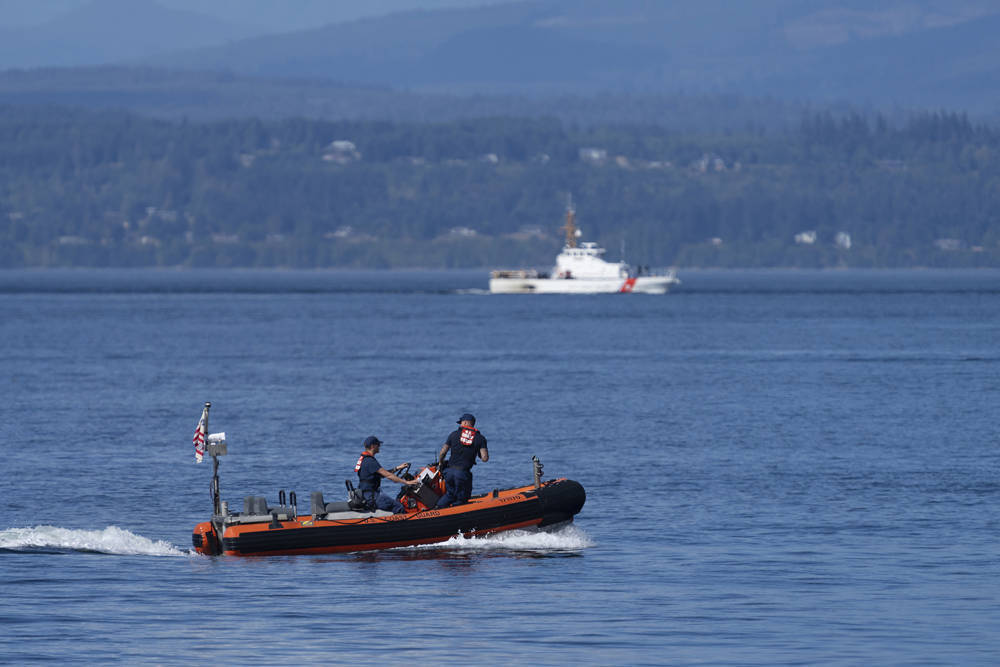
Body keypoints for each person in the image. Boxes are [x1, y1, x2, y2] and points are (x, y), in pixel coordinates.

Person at [435, 413, 488, 508]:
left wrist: (440, 463)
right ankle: (455, 516)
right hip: (462, 474)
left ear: (466, 422)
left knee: (450, 495)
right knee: (462, 499)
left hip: (449, 472)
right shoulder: (480, 438)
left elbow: (442, 452)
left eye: (461, 423)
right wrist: (477, 450)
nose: (460, 425)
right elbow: (485, 458)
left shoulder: (453, 434)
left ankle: (438, 509)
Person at [355, 435, 418, 513]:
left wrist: (397, 468)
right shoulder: (370, 461)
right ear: (373, 446)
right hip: (372, 497)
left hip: (367, 494)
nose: (379, 446)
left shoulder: (365, 459)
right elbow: (388, 475)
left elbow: (382, 474)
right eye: (378, 445)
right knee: (399, 507)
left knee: (395, 502)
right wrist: (407, 482)